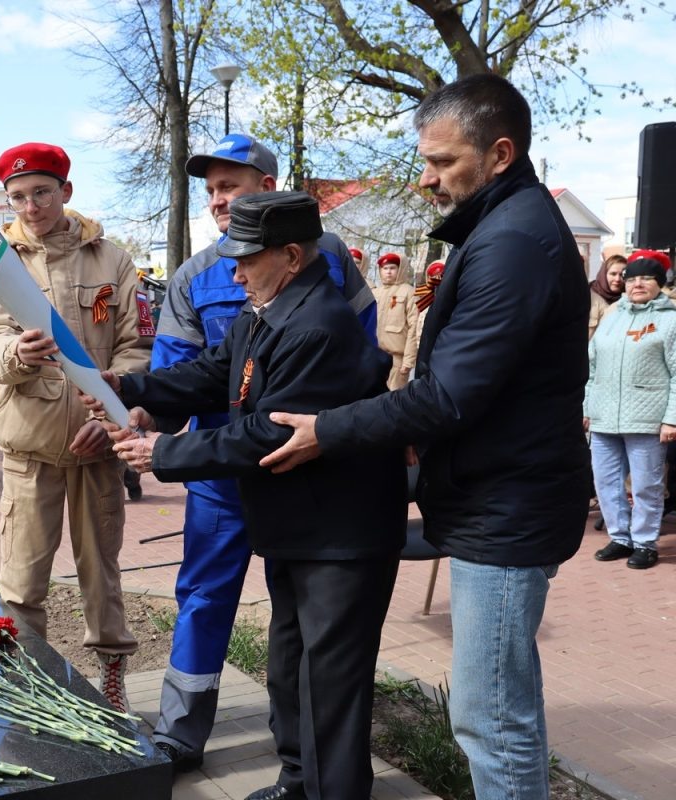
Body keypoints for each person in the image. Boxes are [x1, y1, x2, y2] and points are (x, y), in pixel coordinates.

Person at [261, 75, 590, 800]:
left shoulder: (514, 243)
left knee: (490, 718)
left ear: (499, 153)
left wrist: (332, 431)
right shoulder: (503, 228)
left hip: (506, 512)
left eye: (442, 162)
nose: (426, 176)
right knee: (498, 711)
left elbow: (450, 394)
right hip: (492, 494)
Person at [100, 191, 405, 800]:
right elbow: (215, 372)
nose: (233, 271)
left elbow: (267, 432)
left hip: (339, 536)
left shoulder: (319, 325)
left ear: (291, 256)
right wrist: (130, 384)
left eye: (246, 258)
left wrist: (163, 455)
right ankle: (299, 781)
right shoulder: (269, 308)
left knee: (330, 684)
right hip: (300, 527)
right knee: (290, 668)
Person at [146, 132, 376, 772]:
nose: (219, 200)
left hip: (299, 468)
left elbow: (356, 361)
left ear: (267, 190)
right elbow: (183, 371)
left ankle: (306, 758)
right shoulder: (194, 275)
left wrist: (336, 433)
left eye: (232, 186)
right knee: (204, 596)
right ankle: (181, 733)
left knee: (298, 619)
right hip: (219, 476)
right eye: (212, 190)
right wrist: (143, 409)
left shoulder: (327, 259)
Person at [0, 142, 152, 713]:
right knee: (21, 580)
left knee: (102, 573)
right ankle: (29, 686)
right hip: (30, 447)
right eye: (17, 197)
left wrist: (110, 416)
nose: (30, 205)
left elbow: (137, 346)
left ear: (65, 192)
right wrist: (16, 352)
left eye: (41, 192)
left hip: (98, 449)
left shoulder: (112, 260)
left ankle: (113, 679)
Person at [586, 252, 675, 570]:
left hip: (647, 419)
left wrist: (671, 418)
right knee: (606, 481)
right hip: (604, 416)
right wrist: (587, 407)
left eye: (646, 278)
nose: (637, 283)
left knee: (645, 484)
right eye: (632, 278)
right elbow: (592, 367)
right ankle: (620, 537)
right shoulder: (612, 317)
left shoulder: (670, 320)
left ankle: (645, 542)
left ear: (659, 284)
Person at [373, 252, 420, 389]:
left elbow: (414, 327)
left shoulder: (409, 292)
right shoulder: (375, 293)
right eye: (384, 268)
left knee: (394, 398)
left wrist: (408, 360)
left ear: (401, 269)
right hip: (375, 355)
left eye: (392, 268)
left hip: (397, 359)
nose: (388, 272)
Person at [588, 253, 626, 338]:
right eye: (613, 274)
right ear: (604, 274)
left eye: (622, 275)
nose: (617, 279)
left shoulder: (630, 301)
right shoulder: (588, 296)